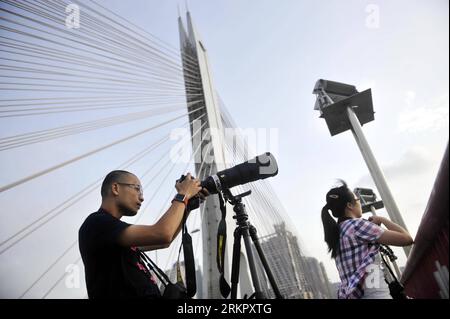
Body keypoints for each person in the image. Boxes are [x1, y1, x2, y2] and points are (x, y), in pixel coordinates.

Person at [78, 170, 207, 299]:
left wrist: (187, 205)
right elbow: (162, 233)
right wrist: (183, 194)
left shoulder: (113, 230)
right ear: (115, 188)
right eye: (137, 189)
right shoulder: (97, 223)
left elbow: (164, 241)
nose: (142, 197)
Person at [321, 180, 413, 299]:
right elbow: (407, 239)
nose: (359, 203)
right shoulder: (357, 225)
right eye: (358, 200)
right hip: (376, 295)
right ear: (349, 205)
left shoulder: (336, 233)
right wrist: (382, 219)